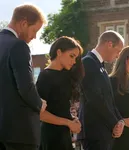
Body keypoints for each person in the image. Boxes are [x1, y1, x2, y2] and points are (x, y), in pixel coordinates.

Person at [0, 4, 47, 150]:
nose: (34, 37)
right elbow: (26, 87)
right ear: (23, 23)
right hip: (18, 134)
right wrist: (39, 104)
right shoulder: (18, 46)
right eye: (34, 30)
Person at [77, 30, 125, 150]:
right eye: (118, 51)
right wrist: (114, 122)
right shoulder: (87, 62)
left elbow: (109, 100)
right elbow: (94, 98)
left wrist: (120, 121)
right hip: (94, 131)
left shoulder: (101, 66)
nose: (118, 55)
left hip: (104, 131)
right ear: (109, 44)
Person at [36, 36, 84, 150]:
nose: (73, 61)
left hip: (64, 135)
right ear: (59, 52)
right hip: (50, 136)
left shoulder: (65, 76)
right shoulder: (45, 76)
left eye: (75, 58)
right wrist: (68, 122)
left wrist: (72, 119)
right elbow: (40, 114)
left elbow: (60, 107)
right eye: (71, 56)